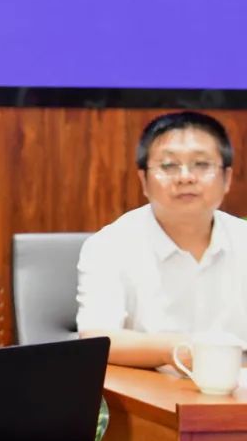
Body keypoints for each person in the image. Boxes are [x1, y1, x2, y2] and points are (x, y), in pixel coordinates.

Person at [77, 110, 247, 369]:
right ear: (144, 181)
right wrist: (178, 349)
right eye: (168, 165)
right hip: (148, 389)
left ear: (227, 178)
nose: (185, 177)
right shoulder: (108, 246)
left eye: (202, 164)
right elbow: (97, 338)